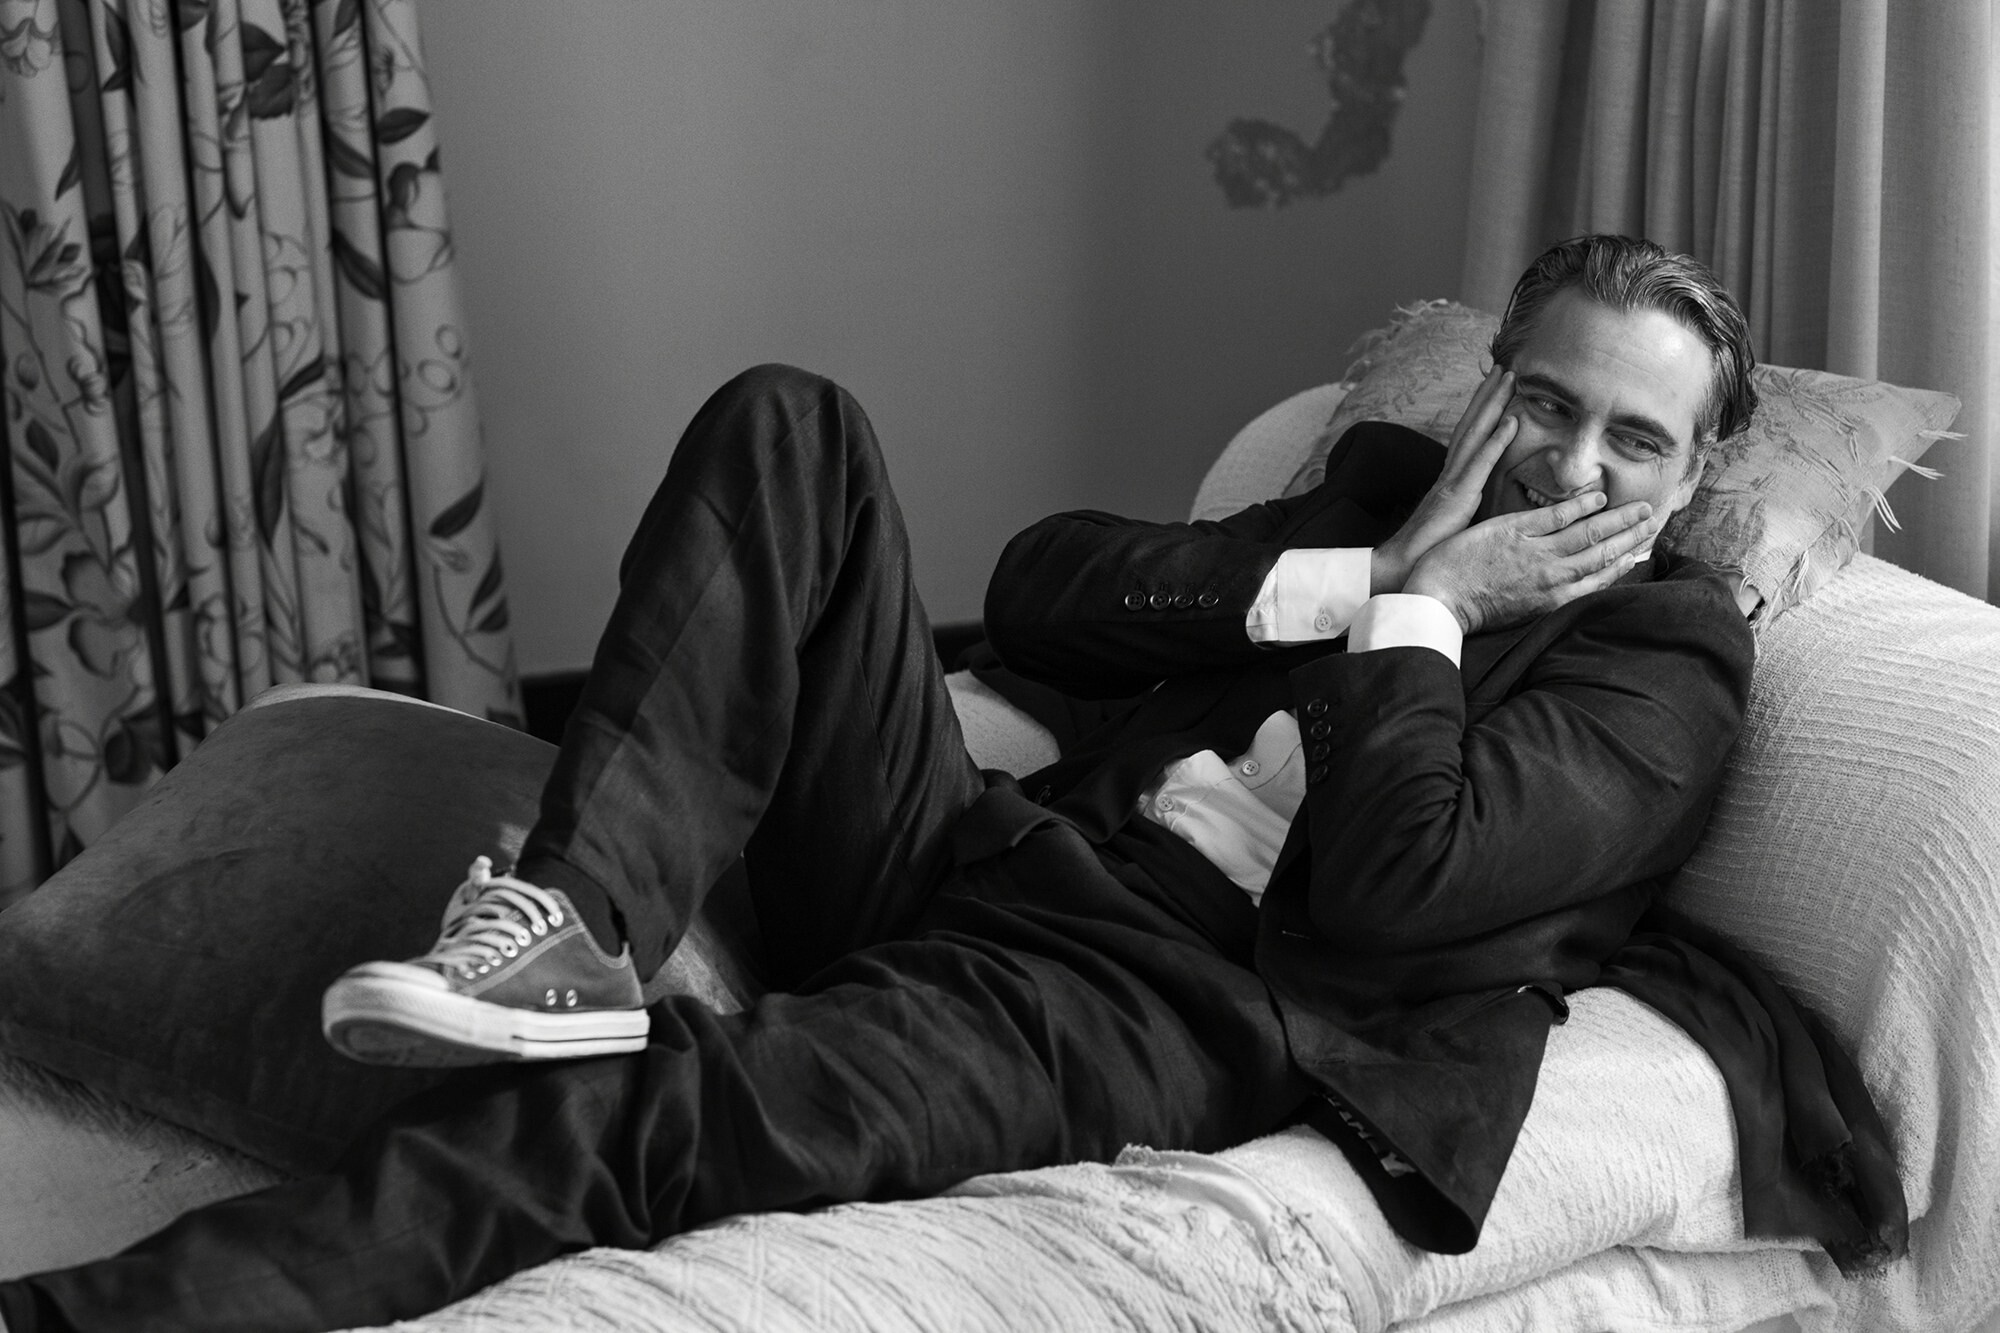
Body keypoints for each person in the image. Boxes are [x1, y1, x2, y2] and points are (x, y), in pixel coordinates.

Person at [0, 235, 1893, 1333]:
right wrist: (1354, 569)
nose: (1570, 467)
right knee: (794, 423)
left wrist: (1427, 618)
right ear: (1490, 389)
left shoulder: (1669, 662)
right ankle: (568, 929)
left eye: (1634, 441)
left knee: (653, 1125)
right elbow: (1044, 587)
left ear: (1692, 477)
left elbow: (1413, 873)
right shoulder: (1377, 495)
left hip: (1154, 999)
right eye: (1545, 403)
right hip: (994, 854)